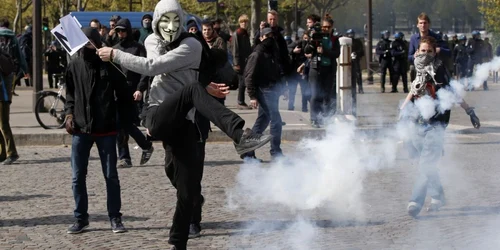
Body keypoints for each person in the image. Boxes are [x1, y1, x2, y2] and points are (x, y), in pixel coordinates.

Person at [96, 0, 271, 249]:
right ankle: (240, 134)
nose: (169, 26)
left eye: (175, 21)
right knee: (191, 90)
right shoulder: (151, 41)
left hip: (185, 121)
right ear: (156, 22)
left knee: (187, 192)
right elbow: (154, 65)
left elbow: (161, 66)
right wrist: (115, 53)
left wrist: (116, 54)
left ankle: (178, 242)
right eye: (164, 21)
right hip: (158, 116)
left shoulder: (192, 45)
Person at [399, 36, 480, 217]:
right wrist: (402, 112)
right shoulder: (417, 69)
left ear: (434, 52)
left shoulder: (440, 70)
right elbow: (413, 91)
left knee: (426, 163)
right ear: (417, 52)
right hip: (419, 122)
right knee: (425, 163)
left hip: (437, 124)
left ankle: (415, 201)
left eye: (429, 51)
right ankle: (438, 195)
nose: (425, 54)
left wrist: (469, 111)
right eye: (423, 51)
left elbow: (453, 92)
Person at [65, 27, 128, 234]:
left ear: (96, 41)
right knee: (77, 176)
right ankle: (81, 218)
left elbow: (122, 93)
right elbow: (70, 95)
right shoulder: (74, 63)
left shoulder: (109, 63)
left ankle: (115, 217)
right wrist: (69, 115)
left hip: (106, 129)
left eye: (88, 41)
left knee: (110, 175)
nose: (84, 45)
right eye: (81, 41)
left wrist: (120, 120)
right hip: (81, 129)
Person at [112, 18, 154, 168]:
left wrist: (140, 89)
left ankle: (144, 147)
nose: (121, 33)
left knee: (127, 124)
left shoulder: (138, 48)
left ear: (128, 31)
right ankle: (125, 156)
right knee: (120, 125)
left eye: (123, 30)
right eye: (118, 31)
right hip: (117, 92)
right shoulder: (115, 48)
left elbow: (145, 70)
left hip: (131, 91)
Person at [241, 28, 283, 161]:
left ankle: (248, 151)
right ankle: (275, 152)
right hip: (264, 91)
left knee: (263, 121)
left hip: (272, 90)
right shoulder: (257, 53)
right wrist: (252, 96)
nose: (270, 38)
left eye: (272, 35)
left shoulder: (272, 52)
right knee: (276, 121)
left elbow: (276, 72)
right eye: (267, 36)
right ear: (261, 37)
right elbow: (248, 76)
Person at [0, 17, 27, 165]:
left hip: (2, 90)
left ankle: (11, 152)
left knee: (3, 123)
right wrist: (25, 70)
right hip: (8, 82)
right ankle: (3, 152)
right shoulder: (13, 38)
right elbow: (20, 57)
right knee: (2, 122)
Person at [408, 13, 450, 82]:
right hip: (419, 66)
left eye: (425, 23)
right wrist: (414, 56)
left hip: (434, 65)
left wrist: (439, 50)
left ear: (429, 24)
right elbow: (409, 57)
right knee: (412, 68)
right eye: (421, 23)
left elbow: (448, 52)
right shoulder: (414, 38)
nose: (423, 25)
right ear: (417, 25)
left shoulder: (436, 37)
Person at [232, 14, 253, 110]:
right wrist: (236, 63)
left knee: (243, 82)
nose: (244, 23)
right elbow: (235, 49)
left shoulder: (245, 33)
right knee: (242, 82)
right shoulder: (238, 33)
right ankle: (240, 101)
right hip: (240, 62)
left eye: (245, 22)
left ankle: (241, 101)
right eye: (242, 22)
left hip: (245, 61)